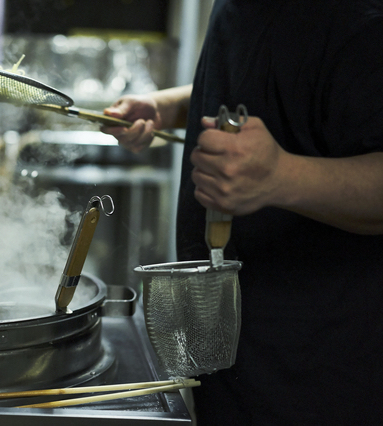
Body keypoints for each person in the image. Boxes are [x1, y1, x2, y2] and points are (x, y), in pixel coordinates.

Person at [102, 1, 383, 424]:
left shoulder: (361, 19)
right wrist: (170, 107)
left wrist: (281, 176)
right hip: (232, 363)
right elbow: (277, 89)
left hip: (320, 375)